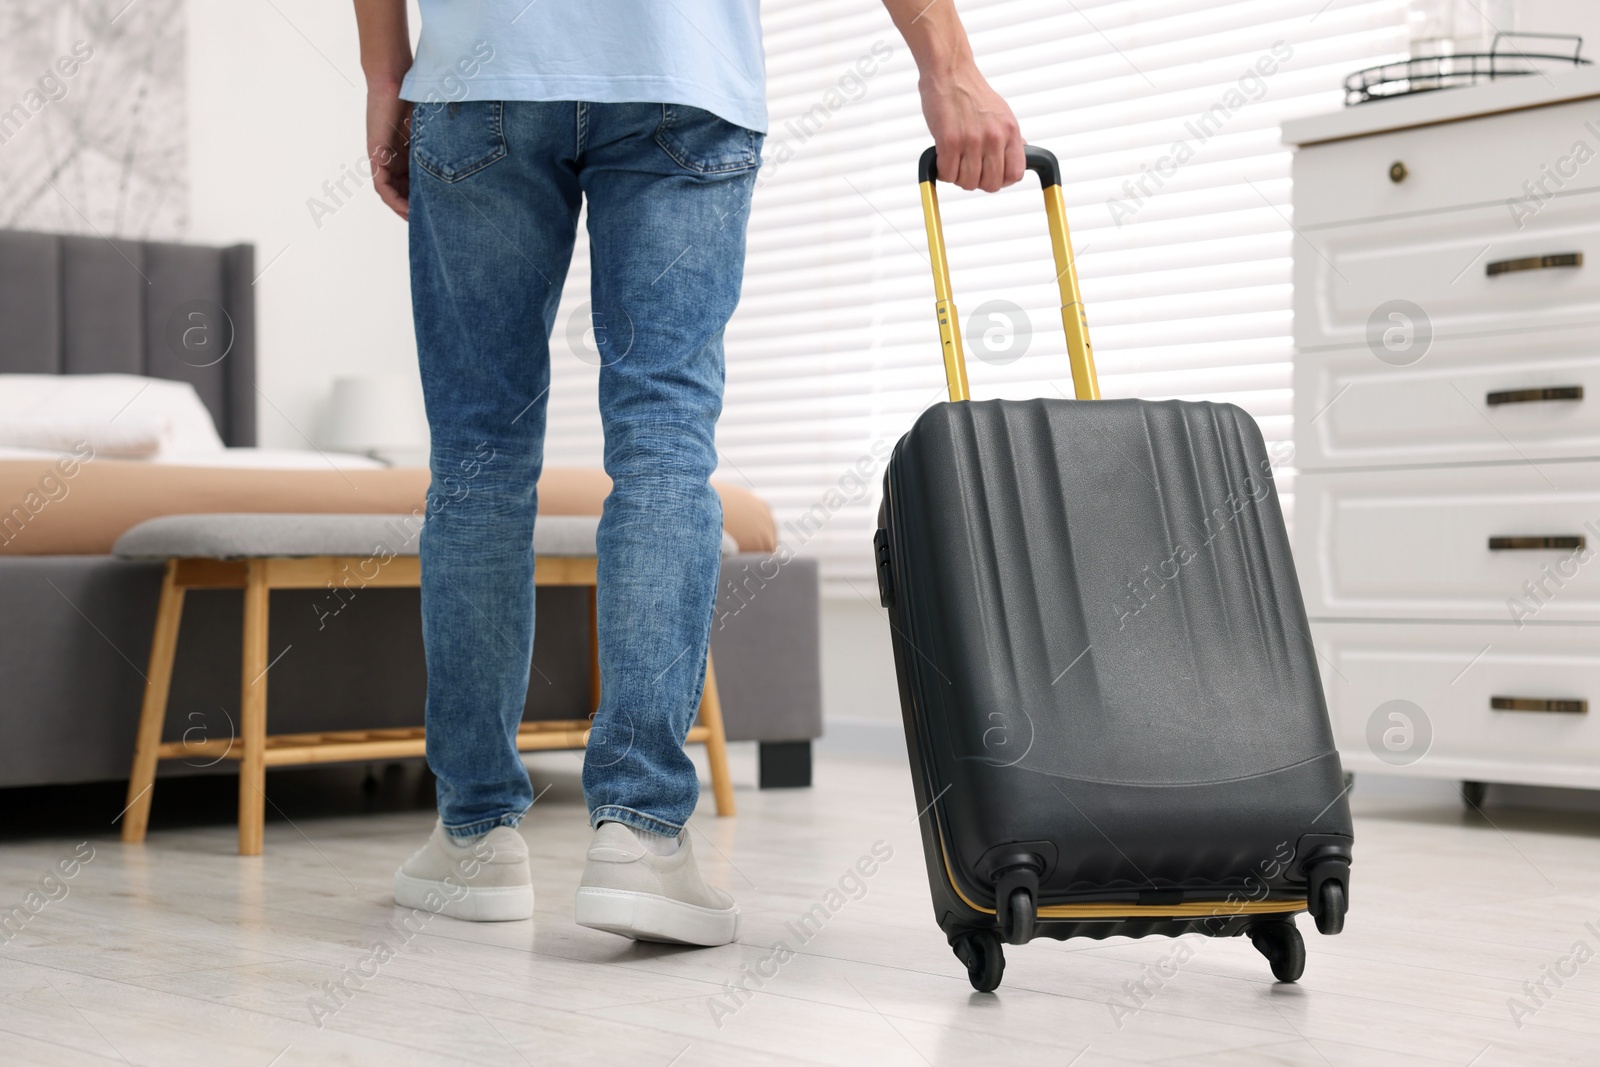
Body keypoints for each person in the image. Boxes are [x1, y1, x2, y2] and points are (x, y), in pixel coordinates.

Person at [351, 0, 1023, 946]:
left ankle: (475, 836)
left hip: (481, 74)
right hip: (679, 70)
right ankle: (638, 832)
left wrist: (386, 73)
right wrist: (945, 63)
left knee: (478, 458)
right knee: (664, 439)